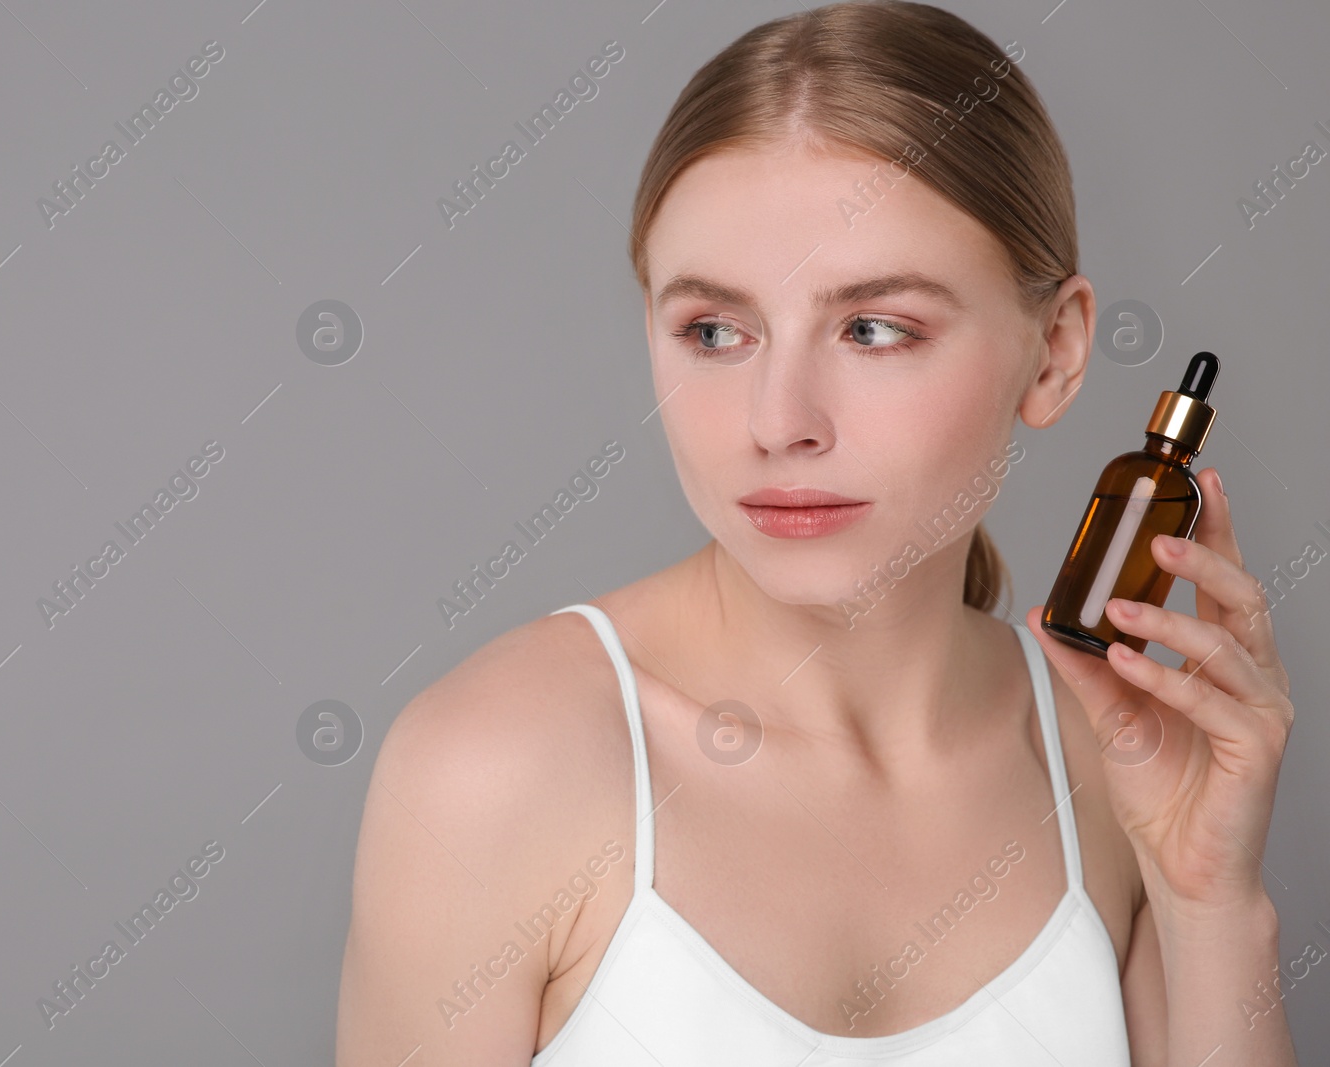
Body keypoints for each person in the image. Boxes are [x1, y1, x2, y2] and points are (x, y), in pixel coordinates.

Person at [335, 2, 1297, 1064]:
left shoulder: (1109, 763)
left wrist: (1211, 906)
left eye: (873, 328)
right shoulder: (497, 765)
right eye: (715, 330)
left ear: (1056, 351)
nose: (776, 419)